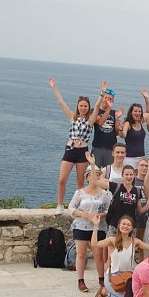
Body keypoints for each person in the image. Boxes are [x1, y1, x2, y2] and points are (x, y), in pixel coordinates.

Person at [48, 77, 97, 215]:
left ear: (88, 108)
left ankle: (81, 206)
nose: (83, 108)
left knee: (80, 183)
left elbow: (98, 107)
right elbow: (61, 102)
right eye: (80, 105)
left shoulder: (90, 120)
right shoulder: (72, 117)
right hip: (70, 150)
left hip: (82, 152)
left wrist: (101, 93)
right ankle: (60, 205)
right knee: (62, 179)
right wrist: (54, 87)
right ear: (77, 106)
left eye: (85, 106)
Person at [67, 165, 113, 292]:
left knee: (98, 255)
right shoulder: (80, 193)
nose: (95, 177)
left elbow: (109, 210)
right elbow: (71, 208)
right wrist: (82, 214)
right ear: (87, 177)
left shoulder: (105, 194)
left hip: (98, 226)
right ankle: (80, 280)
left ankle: (101, 279)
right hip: (81, 226)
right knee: (81, 254)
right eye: (93, 175)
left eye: (98, 175)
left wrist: (101, 215)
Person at [90, 215, 149, 297]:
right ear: (119, 225)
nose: (125, 226)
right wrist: (95, 226)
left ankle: (110, 293)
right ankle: (106, 292)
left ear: (132, 228)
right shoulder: (112, 240)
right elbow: (94, 244)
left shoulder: (135, 241)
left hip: (129, 277)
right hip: (113, 277)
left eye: (128, 225)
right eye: (123, 224)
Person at [86, 153, 149, 238]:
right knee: (111, 249)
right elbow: (95, 182)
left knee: (127, 250)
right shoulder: (115, 186)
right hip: (114, 226)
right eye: (126, 174)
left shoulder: (137, 191)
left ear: (134, 175)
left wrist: (147, 206)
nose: (129, 177)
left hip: (129, 227)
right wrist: (93, 165)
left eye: (131, 175)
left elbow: (139, 210)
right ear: (122, 176)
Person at [91, 81, 123, 168]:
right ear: (102, 98)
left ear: (112, 101)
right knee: (95, 172)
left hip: (110, 149)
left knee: (108, 175)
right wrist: (109, 108)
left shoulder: (114, 113)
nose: (107, 100)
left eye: (110, 99)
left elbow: (115, 133)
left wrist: (117, 121)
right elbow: (100, 122)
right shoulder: (95, 111)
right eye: (105, 97)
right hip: (97, 147)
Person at [118, 89, 149, 168]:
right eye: (135, 111)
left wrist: (146, 98)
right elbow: (123, 135)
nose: (137, 113)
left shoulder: (140, 121)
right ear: (131, 112)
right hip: (129, 158)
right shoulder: (127, 123)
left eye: (139, 111)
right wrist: (120, 129)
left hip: (141, 158)